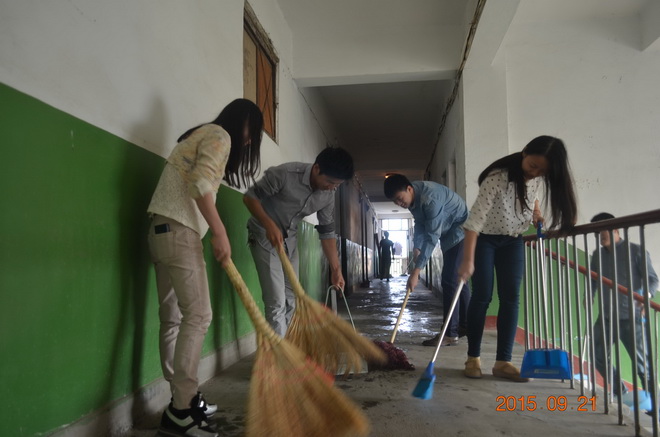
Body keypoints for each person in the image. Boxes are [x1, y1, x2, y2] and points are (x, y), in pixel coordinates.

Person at [147, 99, 263, 436]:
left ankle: (181, 399)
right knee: (198, 317)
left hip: (160, 231)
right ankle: (181, 411)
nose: (248, 141)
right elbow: (199, 182)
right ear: (241, 122)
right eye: (251, 132)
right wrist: (220, 232)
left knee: (173, 319)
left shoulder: (201, 133)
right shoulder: (220, 135)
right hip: (181, 232)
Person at [458, 135, 577, 382]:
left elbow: (532, 196)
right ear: (524, 153)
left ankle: (503, 362)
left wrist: (536, 213)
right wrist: (468, 260)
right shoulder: (496, 178)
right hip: (485, 239)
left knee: (511, 298)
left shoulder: (537, 178)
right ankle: (473, 358)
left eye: (542, 171)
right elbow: (474, 222)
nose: (535, 173)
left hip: (513, 240)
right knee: (482, 296)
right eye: (533, 166)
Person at [243, 147, 353, 337]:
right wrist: (269, 225)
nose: (332, 188)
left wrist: (336, 270)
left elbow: (327, 232)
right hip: (263, 235)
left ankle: (288, 344)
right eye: (330, 182)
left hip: (290, 240)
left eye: (337, 185)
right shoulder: (285, 174)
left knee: (292, 297)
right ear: (317, 169)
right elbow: (250, 197)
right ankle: (279, 353)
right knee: (276, 301)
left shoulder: (328, 194)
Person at [384, 173, 471, 347]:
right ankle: (467, 325)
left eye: (400, 199)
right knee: (459, 281)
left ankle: (450, 333)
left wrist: (416, 272)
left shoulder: (430, 198)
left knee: (450, 281)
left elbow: (432, 236)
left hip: (461, 232)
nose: (399, 203)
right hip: (449, 235)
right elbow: (420, 224)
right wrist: (417, 246)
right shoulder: (413, 199)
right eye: (395, 201)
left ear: (409, 189)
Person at [589, 212, 659, 396]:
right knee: (596, 354)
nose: (600, 236)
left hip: (632, 317)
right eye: (596, 232)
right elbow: (593, 279)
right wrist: (589, 294)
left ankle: (656, 405)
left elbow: (653, 280)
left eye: (603, 230)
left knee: (643, 365)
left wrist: (646, 297)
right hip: (606, 317)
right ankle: (619, 391)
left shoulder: (636, 251)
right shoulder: (597, 255)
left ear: (616, 229)